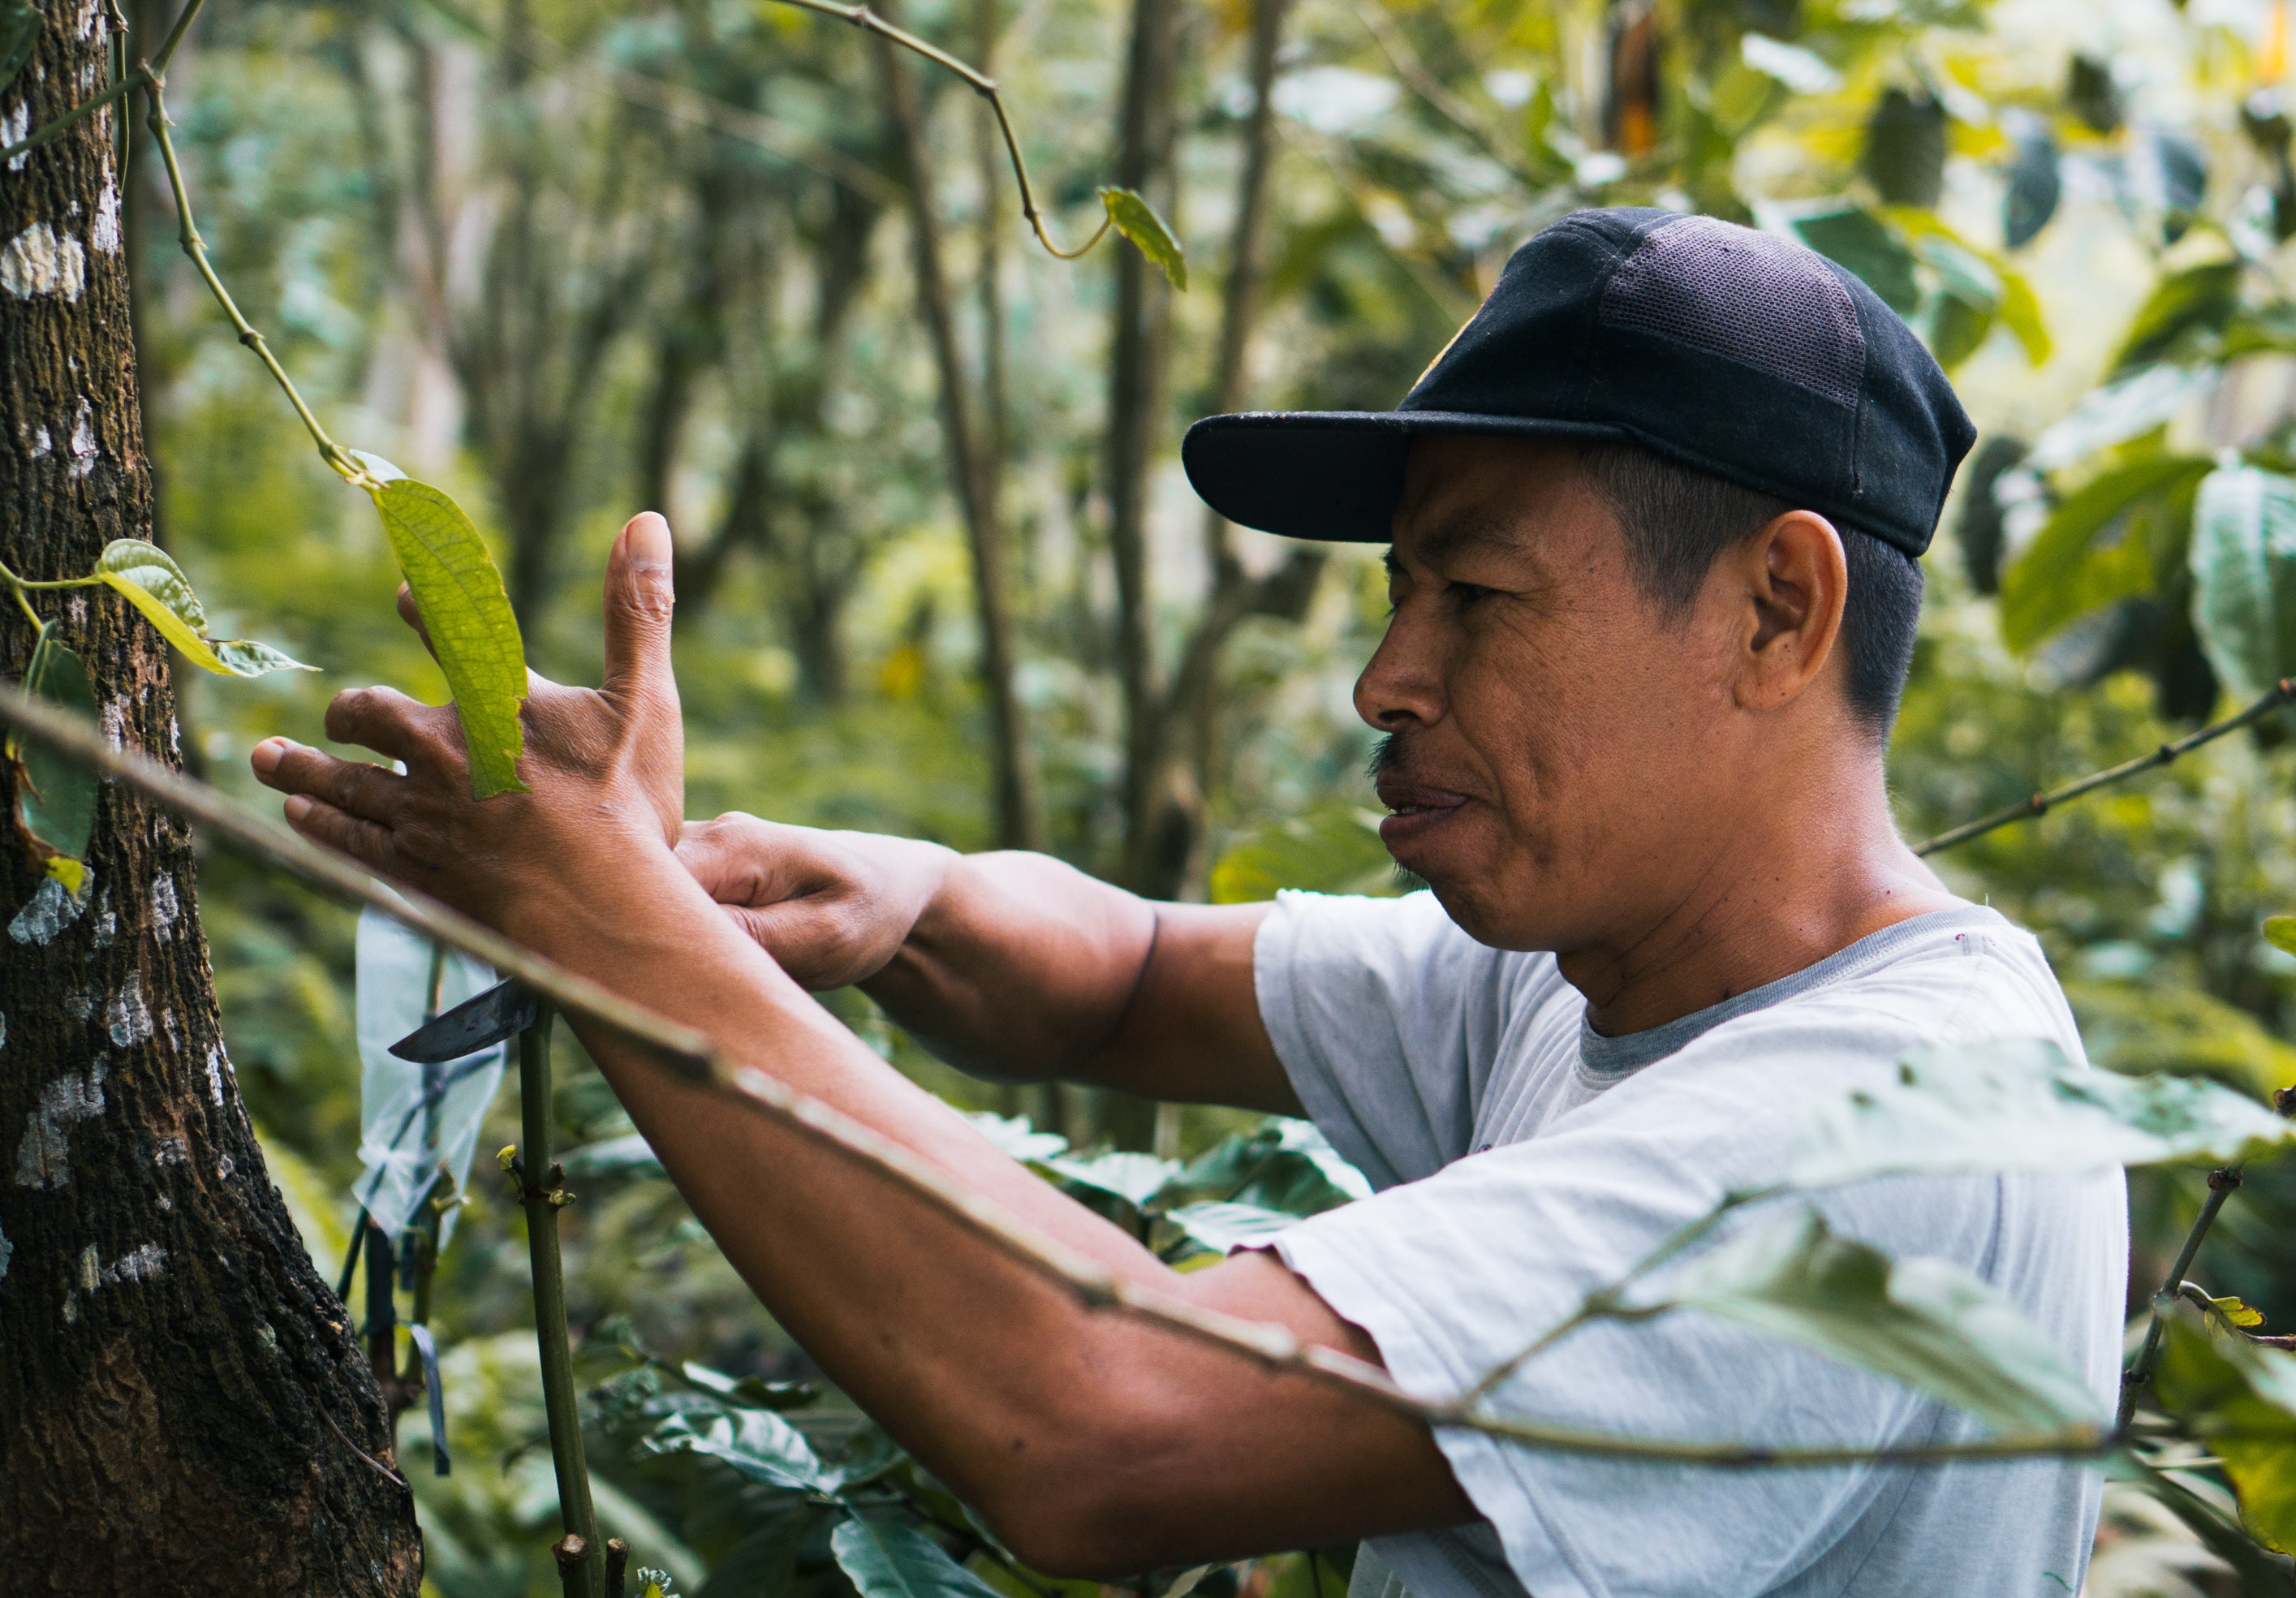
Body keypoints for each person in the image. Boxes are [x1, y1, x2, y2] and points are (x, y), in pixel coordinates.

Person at [252, 208, 2127, 1597]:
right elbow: (1132, 973)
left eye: (1474, 596)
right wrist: (890, 896)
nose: (1388, 675)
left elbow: (1107, 1419)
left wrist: (612, 927)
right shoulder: (1610, 965)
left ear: (1774, 611)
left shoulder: (1871, 1133)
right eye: (1397, 595)